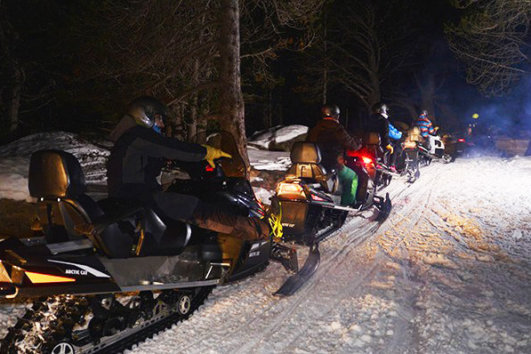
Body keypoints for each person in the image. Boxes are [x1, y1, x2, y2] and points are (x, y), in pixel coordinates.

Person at [107, 96, 269, 241]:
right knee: (197, 209)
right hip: (139, 197)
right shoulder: (137, 135)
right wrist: (206, 152)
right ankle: (257, 230)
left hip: (132, 195)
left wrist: (183, 163)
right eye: (158, 119)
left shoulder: (131, 139)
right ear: (145, 117)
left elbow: (164, 156)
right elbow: (171, 148)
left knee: (182, 192)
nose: (162, 124)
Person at [306, 104, 361, 206]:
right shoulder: (337, 128)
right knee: (352, 177)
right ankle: (348, 203)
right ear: (336, 116)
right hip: (332, 165)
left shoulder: (315, 128)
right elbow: (351, 144)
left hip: (316, 166)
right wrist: (358, 144)